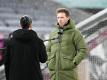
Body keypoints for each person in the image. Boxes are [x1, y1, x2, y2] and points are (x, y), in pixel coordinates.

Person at [46, 8, 87, 80]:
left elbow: (82, 50)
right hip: (54, 74)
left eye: (62, 17)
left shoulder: (75, 33)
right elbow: (48, 50)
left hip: (69, 74)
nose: (60, 19)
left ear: (68, 18)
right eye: (58, 17)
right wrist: (49, 62)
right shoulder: (53, 33)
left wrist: (74, 62)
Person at [4, 15, 47, 80]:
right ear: (30, 25)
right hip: (34, 76)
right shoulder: (38, 41)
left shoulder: (10, 42)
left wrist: (8, 77)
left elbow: (6, 62)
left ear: (20, 25)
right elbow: (43, 59)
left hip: (15, 77)